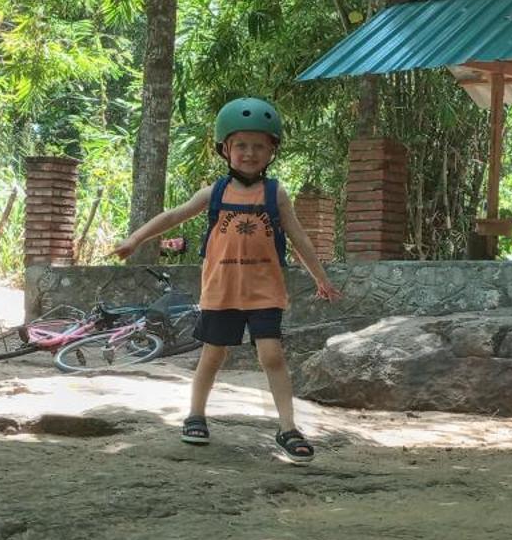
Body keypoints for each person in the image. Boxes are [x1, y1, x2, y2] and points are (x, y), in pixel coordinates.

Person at [113, 97, 342, 464]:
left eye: (258, 146)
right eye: (241, 145)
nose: (249, 153)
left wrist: (321, 279)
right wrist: (135, 239)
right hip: (221, 290)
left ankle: (287, 427)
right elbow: (173, 216)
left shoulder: (275, 194)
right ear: (225, 149)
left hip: (265, 290)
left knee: (272, 355)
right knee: (213, 355)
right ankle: (196, 415)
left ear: (272, 151)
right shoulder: (215, 192)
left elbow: (299, 239)